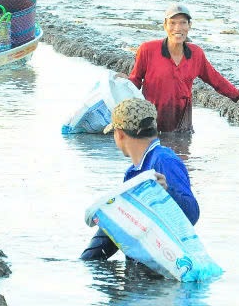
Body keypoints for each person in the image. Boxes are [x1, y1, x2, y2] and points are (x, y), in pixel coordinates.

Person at [80, 98, 199, 260]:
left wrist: (167, 192)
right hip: (145, 260)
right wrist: (89, 258)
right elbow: (123, 224)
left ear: (119, 134)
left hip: (166, 262)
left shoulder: (163, 160)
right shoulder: (132, 173)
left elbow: (192, 215)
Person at [128, 3, 239, 133]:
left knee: (182, 148)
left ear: (189, 25)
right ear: (165, 26)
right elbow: (134, 82)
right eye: (172, 23)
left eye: (183, 22)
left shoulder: (196, 54)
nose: (178, 28)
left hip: (182, 127)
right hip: (151, 126)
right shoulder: (147, 50)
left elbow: (216, 80)